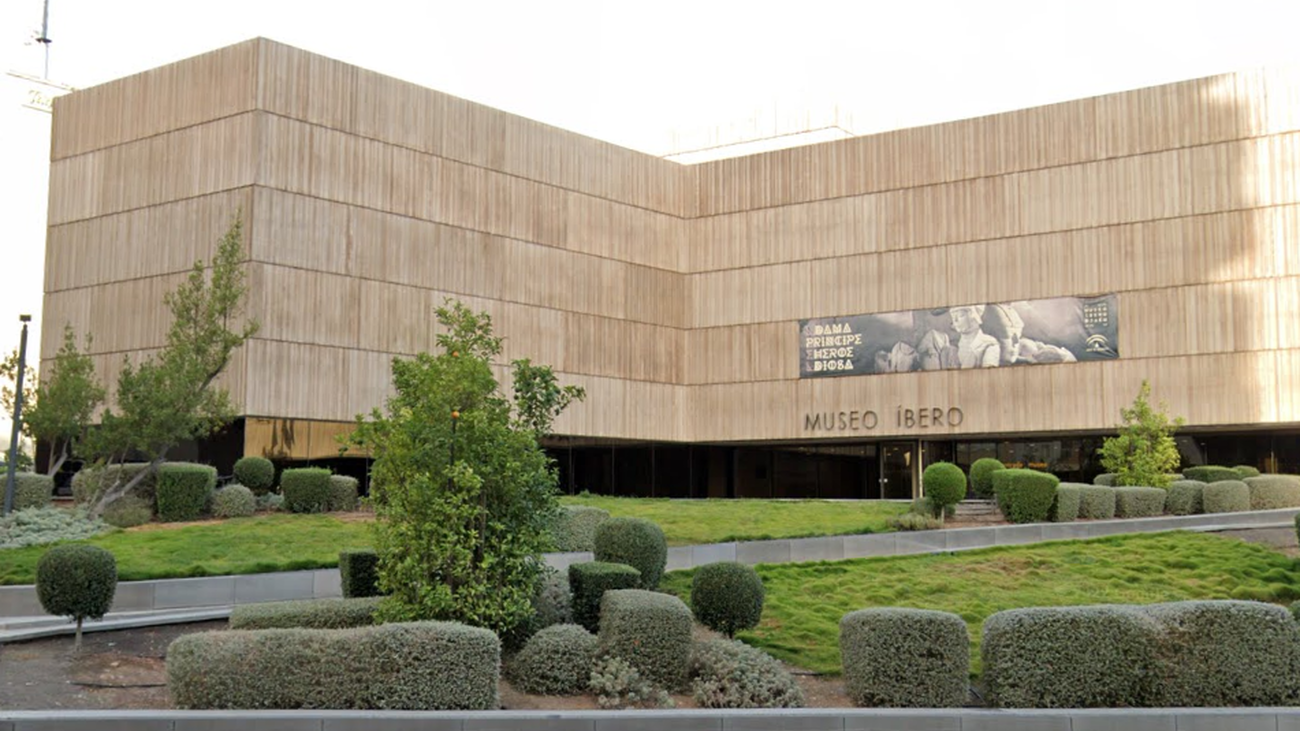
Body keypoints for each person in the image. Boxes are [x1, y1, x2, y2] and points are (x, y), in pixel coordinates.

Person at [983, 303, 1077, 365]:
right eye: (1007, 335)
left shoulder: (1027, 347)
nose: (1016, 341)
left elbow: (1070, 360)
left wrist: (1061, 355)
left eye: (1018, 334)